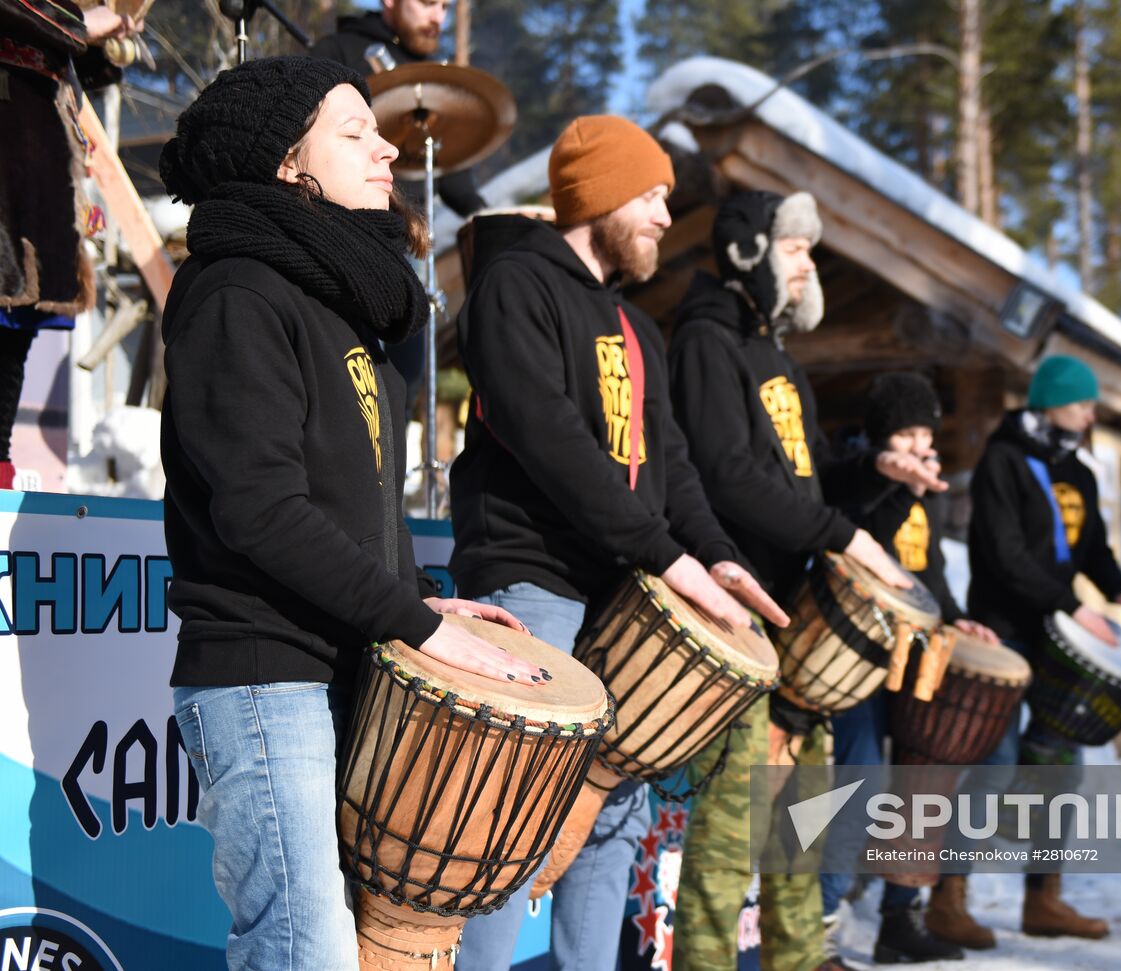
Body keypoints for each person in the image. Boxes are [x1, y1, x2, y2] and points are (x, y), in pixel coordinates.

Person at [158, 57, 543, 971]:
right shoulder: (236, 293)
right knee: (304, 948)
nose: (386, 148)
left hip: (340, 660)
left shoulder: (336, 302)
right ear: (291, 164)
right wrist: (413, 623)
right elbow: (260, 509)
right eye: (354, 130)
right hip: (264, 676)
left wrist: (415, 595)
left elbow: (351, 495)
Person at [447, 115, 783, 971]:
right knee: (504, 825)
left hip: (623, 594)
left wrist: (716, 557)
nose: (668, 219)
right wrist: (667, 557)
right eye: (652, 197)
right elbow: (550, 440)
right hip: (532, 583)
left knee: (607, 822)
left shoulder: (640, 328)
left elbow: (671, 468)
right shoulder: (516, 284)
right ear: (596, 196)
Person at [667, 190, 926, 971]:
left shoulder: (777, 355)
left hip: (793, 626)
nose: (810, 264)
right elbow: (730, 477)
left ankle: (796, 960)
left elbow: (811, 478)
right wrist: (843, 535)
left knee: (799, 830)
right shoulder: (707, 340)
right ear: (749, 252)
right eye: (795, 248)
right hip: (734, 617)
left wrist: (880, 474)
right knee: (729, 836)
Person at [928, 354, 1121, 949]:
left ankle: (1042, 899)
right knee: (994, 768)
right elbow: (1003, 555)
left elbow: (1092, 545)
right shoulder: (1003, 461)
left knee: (1062, 768)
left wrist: (1118, 586)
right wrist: (1072, 605)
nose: (1090, 412)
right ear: (1050, 401)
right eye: (1081, 402)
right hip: (1003, 631)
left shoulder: (1077, 469)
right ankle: (946, 900)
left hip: (1056, 634)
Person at [819, 372, 998, 963]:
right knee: (862, 781)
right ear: (881, 434)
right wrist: (901, 483)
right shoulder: (861, 478)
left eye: (926, 430)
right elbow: (867, 540)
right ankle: (818, 923)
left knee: (921, 784)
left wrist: (957, 616)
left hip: (919, 652)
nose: (920, 442)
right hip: (862, 651)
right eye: (907, 430)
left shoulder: (928, 486)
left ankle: (901, 918)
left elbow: (932, 568)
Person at [1, 0, 145, 488]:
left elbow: (64, 66)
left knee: (11, 345)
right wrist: (82, 23)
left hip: (35, 181)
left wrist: (108, 39)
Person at [309, 0, 486, 218]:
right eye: (428, 3)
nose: (438, 18)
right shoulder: (336, 51)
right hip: (344, 222)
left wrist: (489, 216)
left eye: (444, 7)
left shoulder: (436, 74)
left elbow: (451, 172)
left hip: (415, 232)